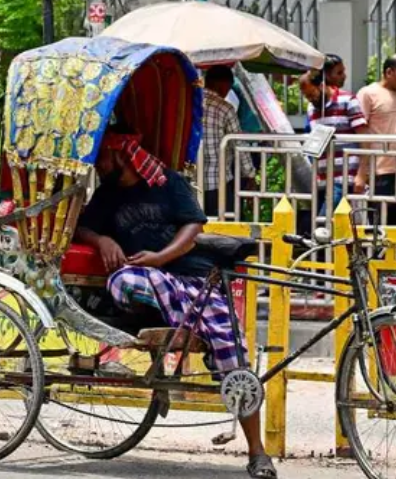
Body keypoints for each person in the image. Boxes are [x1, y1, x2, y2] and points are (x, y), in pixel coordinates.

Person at [75, 133, 274, 479]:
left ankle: (258, 453)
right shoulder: (107, 195)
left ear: (120, 155)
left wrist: (160, 258)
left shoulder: (169, 183)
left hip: (196, 280)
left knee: (234, 358)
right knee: (123, 281)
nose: (98, 164)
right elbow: (83, 228)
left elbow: (194, 226)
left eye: (102, 157)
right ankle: (165, 318)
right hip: (153, 286)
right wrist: (103, 238)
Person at [355, 55, 396, 224]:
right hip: (379, 170)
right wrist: (362, 173)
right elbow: (360, 132)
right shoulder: (368, 93)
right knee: (381, 222)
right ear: (389, 72)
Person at [298, 69, 367, 217]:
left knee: (323, 221)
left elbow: (364, 139)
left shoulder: (347, 101)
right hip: (323, 178)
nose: (310, 99)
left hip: (345, 176)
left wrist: (362, 174)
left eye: (312, 94)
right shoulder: (312, 108)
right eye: (306, 96)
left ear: (322, 86)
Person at [202, 66, 256, 218]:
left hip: (190, 183)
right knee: (225, 227)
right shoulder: (225, 109)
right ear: (223, 85)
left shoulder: (187, 103)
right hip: (217, 182)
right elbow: (239, 144)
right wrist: (250, 175)